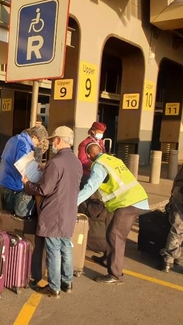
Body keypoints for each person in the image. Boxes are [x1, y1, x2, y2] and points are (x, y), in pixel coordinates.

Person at [23, 126, 82, 298]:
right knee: (66, 246)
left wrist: (27, 183)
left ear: (59, 140)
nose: (52, 143)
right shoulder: (75, 162)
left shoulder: (56, 162)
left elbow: (44, 189)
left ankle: (54, 287)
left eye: (54, 140)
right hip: (69, 210)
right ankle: (67, 282)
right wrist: (46, 169)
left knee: (54, 249)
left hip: (54, 212)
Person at [77, 143, 149, 284]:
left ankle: (116, 275)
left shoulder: (98, 165)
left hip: (128, 203)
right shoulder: (113, 160)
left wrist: (74, 202)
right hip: (133, 199)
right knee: (110, 228)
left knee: (115, 236)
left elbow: (91, 187)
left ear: (89, 155)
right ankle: (106, 259)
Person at [0, 125, 48, 214]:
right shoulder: (23, 145)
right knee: (12, 217)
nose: (38, 145)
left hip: (3, 180)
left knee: (5, 213)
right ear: (34, 137)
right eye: (39, 142)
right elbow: (24, 167)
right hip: (13, 184)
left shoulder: (14, 139)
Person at [160, 165, 183, 273]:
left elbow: (178, 179)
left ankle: (168, 261)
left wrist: (173, 194)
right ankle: (178, 256)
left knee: (176, 228)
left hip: (180, 193)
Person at [78, 122, 107, 187]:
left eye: (102, 133)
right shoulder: (84, 144)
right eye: (99, 132)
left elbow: (104, 155)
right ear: (93, 130)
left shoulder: (101, 142)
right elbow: (83, 161)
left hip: (100, 174)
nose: (101, 134)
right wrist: (96, 166)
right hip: (88, 174)